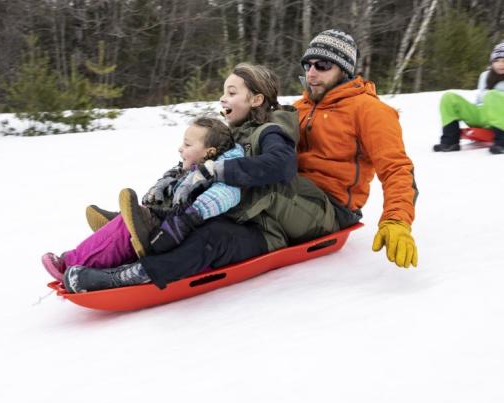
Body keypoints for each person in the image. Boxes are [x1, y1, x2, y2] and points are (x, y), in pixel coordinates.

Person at [65, 63, 338, 293]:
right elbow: (200, 166)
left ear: (256, 99)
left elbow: (282, 165)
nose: (223, 99)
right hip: (244, 214)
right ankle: (140, 225)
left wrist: (216, 171)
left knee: (210, 236)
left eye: (231, 92)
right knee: (188, 215)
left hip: (270, 228)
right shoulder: (236, 134)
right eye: (223, 92)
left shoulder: (271, 130)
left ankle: (133, 274)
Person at [41, 116, 244, 283]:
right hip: (165, 227)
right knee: (126, 231)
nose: (180, 148)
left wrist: (189, 217)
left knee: (124, 229)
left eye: (188, 144)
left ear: (209, 152)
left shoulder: (222, 172)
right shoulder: (189, 170)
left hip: (177, 236)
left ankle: (70, 262)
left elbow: (228, 194)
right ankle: (126, 224)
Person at [294, 29, 418, 268]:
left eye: (322, 65)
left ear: (344, 70)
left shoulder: (368, 110)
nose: (311, 73)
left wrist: (397, 221)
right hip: (292, 193)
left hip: (332, 207)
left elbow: (397, 168)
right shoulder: (301, 106)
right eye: (307, 65)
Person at [433, 42, 504, 154]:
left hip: (501, 117)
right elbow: (480, 99)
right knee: (449, 98)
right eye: (497, 61)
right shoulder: (485, 76)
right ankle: (450, 142)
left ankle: (502, 143)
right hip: (482, 115)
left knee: (492, 95)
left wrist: (494, 95)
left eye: (503, 60)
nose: (500, 64)